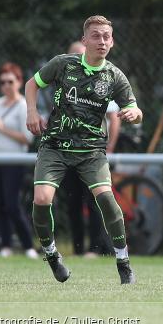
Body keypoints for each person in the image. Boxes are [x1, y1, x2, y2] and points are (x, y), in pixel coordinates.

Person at [26, 15, 142, 284]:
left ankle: (123, 261)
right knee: (42, 199)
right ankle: (52, 255)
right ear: (84, 40)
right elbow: (32, 84)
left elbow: (135, 110)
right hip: (54, 146)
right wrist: (31, 111)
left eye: (106, 36)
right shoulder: (62, 64)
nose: (101, 41)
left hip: (91, 151)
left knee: (106, 199)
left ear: (112, 42)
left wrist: (133, 113)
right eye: (96, 35)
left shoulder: (114, 76)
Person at [61, 40, 120, 258]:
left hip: (94, 153)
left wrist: (109, 148)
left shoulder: (102, 79)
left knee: (95, 199)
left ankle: (97, 248)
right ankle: (78, 248)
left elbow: (114, 117)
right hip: (69, 152)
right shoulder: (64, 82)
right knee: (72, 200)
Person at [0, 62, 39, 259]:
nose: (6, 85)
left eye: (10, 81)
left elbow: (28, 137)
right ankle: (5, 245)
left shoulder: (24, 105)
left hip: (14, 161)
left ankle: (28, 246)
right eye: (2, 82)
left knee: (12, 204)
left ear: (18, 82)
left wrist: (2, 128)